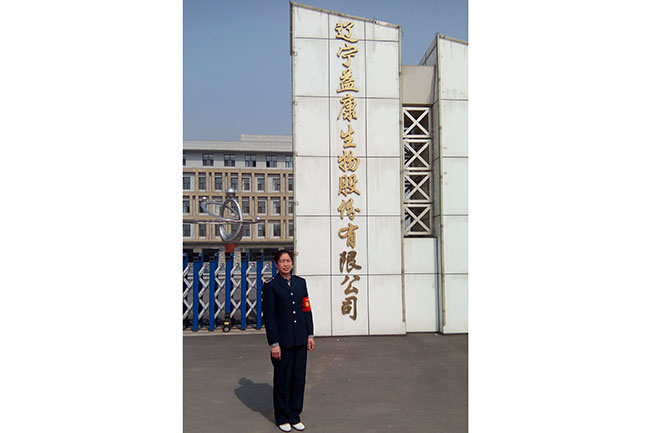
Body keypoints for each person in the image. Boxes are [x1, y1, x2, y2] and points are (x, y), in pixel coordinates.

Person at [262, 250, 315, 432]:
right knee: (282, 380)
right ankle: (282, 417)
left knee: (298, 379)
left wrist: (310, 334)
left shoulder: (301, 283)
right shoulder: (271, 286)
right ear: (276, 264)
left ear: (292, 263)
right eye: (282, 261)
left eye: (288, 261)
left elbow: (306, 309)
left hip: (300, 339)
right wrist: (274, 344)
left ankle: (294, 415)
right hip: (282, 343)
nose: (286, 264)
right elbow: (270, 318)